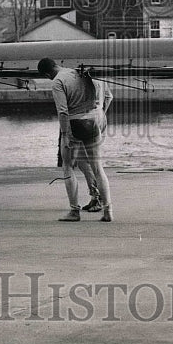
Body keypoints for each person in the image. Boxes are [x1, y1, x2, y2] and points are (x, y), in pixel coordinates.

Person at [37, 58, 113, 222]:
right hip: (93, 121)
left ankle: (74, 211)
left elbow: (63, 112)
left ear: (47, 73)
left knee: (68, 167)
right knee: (98, 168)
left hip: (76, 123)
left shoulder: (58, 81)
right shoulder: (79, 73)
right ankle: (108, 210)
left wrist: (66, 135)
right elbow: (104, 96)